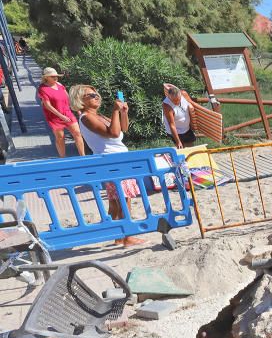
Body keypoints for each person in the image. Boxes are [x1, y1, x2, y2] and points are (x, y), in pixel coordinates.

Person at [69, 84, 143, 247]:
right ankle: (127, 236)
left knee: (117, 201)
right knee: (124, 199)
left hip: (115, 161)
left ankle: (118, 236)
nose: (96, 96)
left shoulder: (97, 115)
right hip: (112, 162)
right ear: (80, 99)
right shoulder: (86, 118)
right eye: (91, 95)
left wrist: (123, 112)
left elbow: (123, 128)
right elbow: (114, 133)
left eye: (96, 94)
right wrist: (115, 111)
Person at [37, 67, 85, 158]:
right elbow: (48, 106)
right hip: (55, 116)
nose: (55, 78)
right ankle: (63, 158)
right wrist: (61, 116)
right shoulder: (42, 89)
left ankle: (83, 157)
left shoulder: (59, 85)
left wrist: (77, 109)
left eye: (56, 76)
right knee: (60, 138)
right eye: (52, 76)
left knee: (77, 133)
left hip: (67, 113)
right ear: (46, 77)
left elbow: (68, 98)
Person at [161, 83, 197, 149]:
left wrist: (192, 123)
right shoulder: (166, 105)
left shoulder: (184, 94)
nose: (177, 102)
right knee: (181, 148)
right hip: (176, 131)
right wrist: (178, 141)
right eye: (174, 101)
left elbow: (191, 104)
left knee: (191, 148)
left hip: (187, 129)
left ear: (180, 94)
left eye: (178, 99)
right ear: (169, 97)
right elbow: (171, 124)